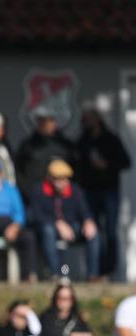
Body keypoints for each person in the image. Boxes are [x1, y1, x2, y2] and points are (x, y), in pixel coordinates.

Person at [77, 106, 132, 276]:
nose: (86, 123)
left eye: (88, 119)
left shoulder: (110, 139)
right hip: (89, 192)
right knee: (93, 231)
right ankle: (95, 271)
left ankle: (110, 270)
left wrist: (107, 165)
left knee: (110, 231)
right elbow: (76, 165)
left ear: (97, 119)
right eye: (83, 120)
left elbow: (126, 162)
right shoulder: (83, 141)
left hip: (109, 192)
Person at [28, 159, 100, 280]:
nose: (62, 182)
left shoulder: (76, 191)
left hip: (72, 228)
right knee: (48, 231)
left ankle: (93, 275)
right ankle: (56, 273)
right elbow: (35, 215)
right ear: (49, 177)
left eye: (65, 178)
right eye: (57, 178)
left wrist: (88, 221)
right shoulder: (39, 191)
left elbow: (85, 211)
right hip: (49, 229)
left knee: (93, 233)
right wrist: (57, 223)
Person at [16, 108, 77, 202]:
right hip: (35, 196)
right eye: (43, 121)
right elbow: (19, 171)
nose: (49, 124)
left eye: (51, 121)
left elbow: (74, 169)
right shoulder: (28, 145)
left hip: (62, 197)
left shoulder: (64, 145)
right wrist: (27, 192)